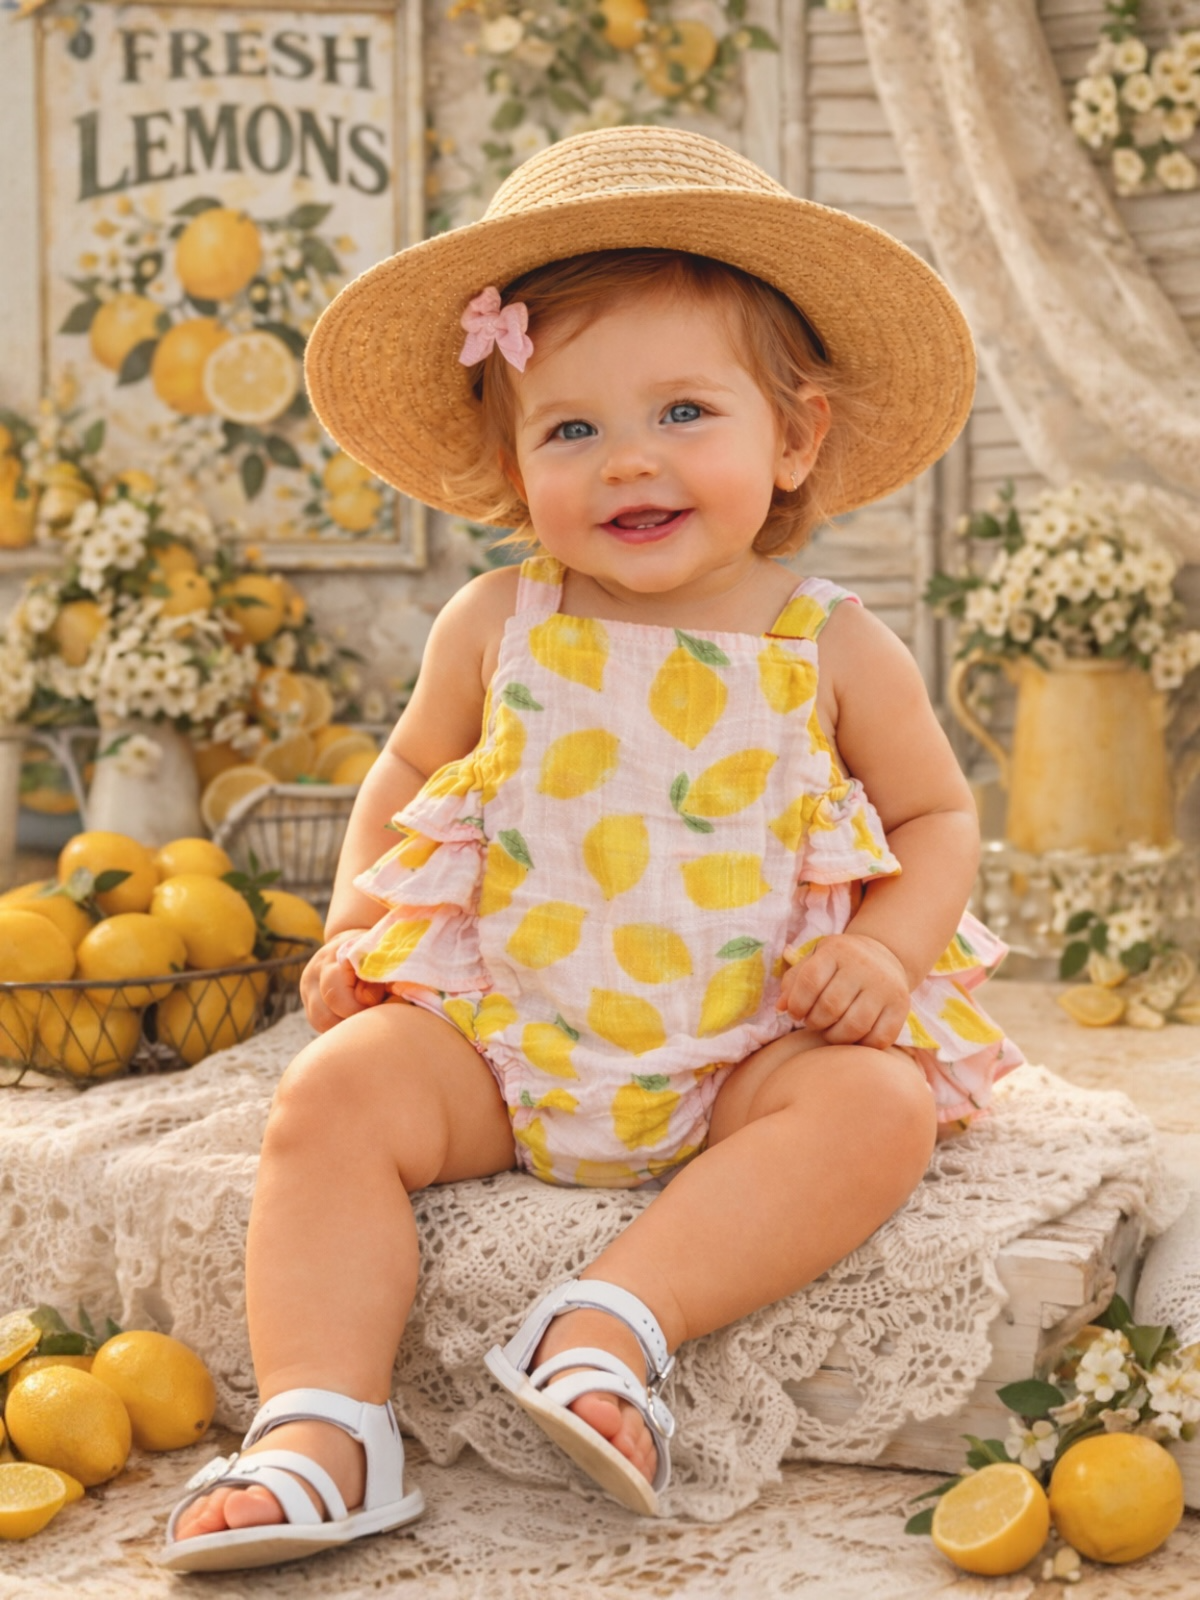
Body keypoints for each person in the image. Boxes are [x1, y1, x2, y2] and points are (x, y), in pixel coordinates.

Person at [162, 125, 1024, 1572]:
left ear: (794, 435)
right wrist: (357, 930)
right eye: (571, 430)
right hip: (507, 1046)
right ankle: (321, 1428)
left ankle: (608, 1322)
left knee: (874, 1112)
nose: (629, 459)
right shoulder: (499, 625)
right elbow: (409, 771)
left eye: (686, 410)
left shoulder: (828, 640)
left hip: (748, 1050)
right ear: (512, 460)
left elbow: (941, 818)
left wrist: (883, 952)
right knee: (331, 1100)